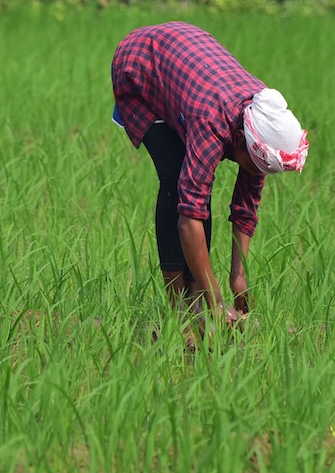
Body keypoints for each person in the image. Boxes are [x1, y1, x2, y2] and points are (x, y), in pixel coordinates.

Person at [111, 22, 309, 331]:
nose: (257, 173)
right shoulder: (211, 121)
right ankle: (181, 311)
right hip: (143, 67)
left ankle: (197, 306)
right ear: (242, 140)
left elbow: (245, 208)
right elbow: (189, 217)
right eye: (254, 165)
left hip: (189, 65)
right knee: (178, 181)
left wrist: (238, 276)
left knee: (195, 186)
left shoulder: (259, 123)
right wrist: (215, 298)